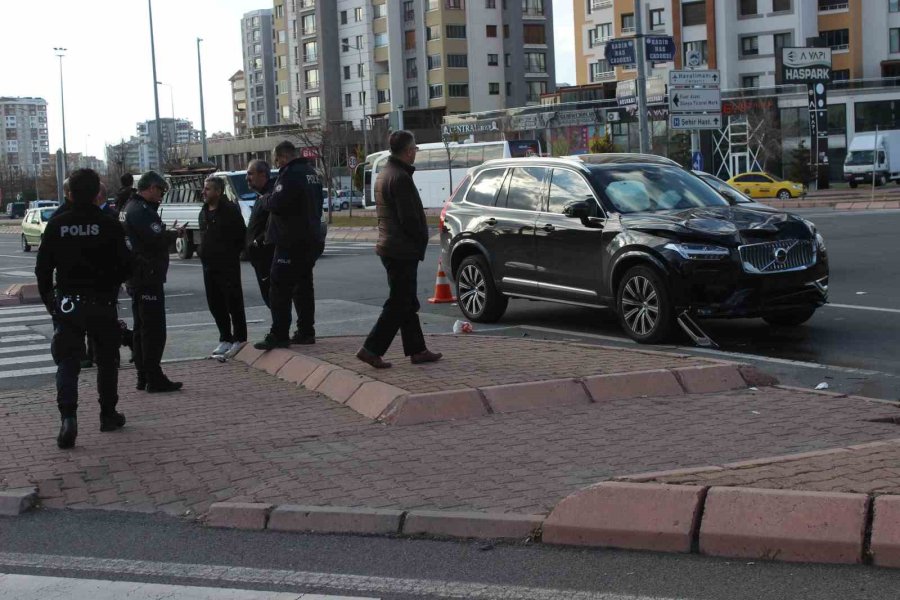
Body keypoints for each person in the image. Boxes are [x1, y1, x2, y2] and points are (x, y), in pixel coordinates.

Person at [35, 168, 131, 449]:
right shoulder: (109, 224)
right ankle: (107, 414)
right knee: (107, 360)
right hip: (101, 302)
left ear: (70, 193)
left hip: (68, 303)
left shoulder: (57, 224)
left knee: (67, 361)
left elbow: (43, 269)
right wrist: (111, 284)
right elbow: (126, 265)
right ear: (96, 193)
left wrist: (50, 302)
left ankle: (68, 419)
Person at [356, 130, 442, 369]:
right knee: (398, 302)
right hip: (401, 249)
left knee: (406, 301)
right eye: (414, 148)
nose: (416, 152)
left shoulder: (385, 173)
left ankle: (417, 349)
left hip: (391, 246)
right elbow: (410, 219)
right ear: (407, 151)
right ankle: (371, 348)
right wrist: (419, 241)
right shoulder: (401, 177)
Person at [253, 141, 325, 350]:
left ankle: (279, 333)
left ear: (283, 156)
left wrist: (264, 199)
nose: (276, 164)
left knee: (279, 287)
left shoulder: (290, 174)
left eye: (277, 159)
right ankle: (306, 330)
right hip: (309, 238)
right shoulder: (312, 173)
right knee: (303, 286)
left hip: (290, 240)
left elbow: (277, 202)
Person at [122, 171, 183, 392]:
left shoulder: (132, 207)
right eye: (159, 190)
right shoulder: (140, 211)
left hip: (138, 275)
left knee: (141, 329)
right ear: (148, 188)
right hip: (146, 275)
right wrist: (173, 234)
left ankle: (144, 375)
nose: (161, 195)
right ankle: (153, 376)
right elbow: (155, 238)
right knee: (153, 330)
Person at [199, 176, 248, 357]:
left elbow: (240, 236)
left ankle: (239, 338)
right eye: (204, 189)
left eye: (208, 189)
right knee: (215, 304)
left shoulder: (229, 210)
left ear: (218, 192)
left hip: (227, 266)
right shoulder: (204, 211)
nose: (204, 192)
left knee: (233, 303)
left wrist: (229, 255)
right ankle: (225, 338)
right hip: (208, 266)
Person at [245, 160, 276, 307]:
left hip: (267, 257)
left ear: (263, 174)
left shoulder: (270, 196)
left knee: (274, 298)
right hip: (259, 258)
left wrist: (258, 242)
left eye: (250, 173)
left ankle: (279, 329)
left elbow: (274, 223)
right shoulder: (260, 195)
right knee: (269, 298)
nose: (247, 178)